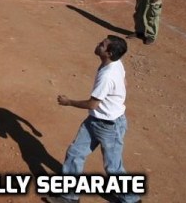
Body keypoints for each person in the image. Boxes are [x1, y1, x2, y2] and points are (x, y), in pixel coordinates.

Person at [45, 36, 141, 203]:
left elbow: (92, 104)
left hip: (109, 126)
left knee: (113, 167)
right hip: (96, 121)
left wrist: (68, 102)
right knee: (75, 153)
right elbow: (125, 83)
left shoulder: (108, 75)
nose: (98, 44)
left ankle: (131, 199)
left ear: (109, 53)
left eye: (102, 45)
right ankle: (69, 197)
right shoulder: (116, 63)